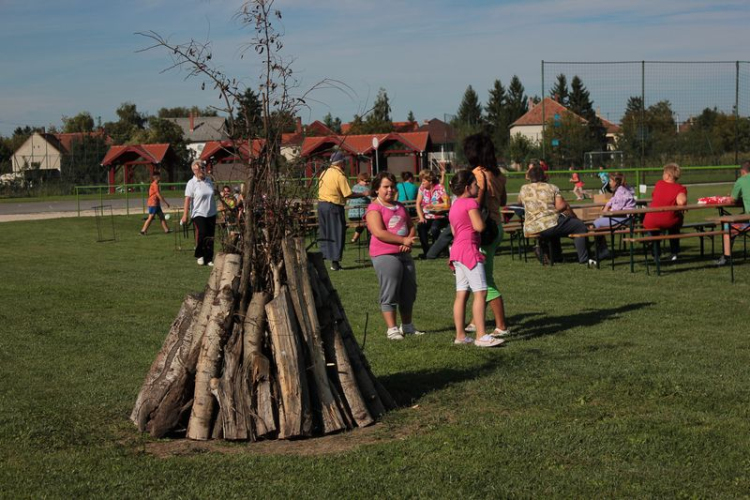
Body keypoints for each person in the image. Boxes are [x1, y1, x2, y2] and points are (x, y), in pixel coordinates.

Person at [448, 170, 504, 348]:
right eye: (475, 184)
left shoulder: (454, 205)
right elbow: (479, 226)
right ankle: (481, 335)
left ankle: (460, 335)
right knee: (481, 292)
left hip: (456, 250)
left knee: (461, 293)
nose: (478, 187)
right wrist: (484, 218)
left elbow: (454, 231)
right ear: (467, 187)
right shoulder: (470, 203)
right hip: (469, 250)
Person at [365, 171, 422, 340]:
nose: (390, 190)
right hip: (384, 254)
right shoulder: (374, 208)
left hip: (404, 253)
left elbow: (411, 225)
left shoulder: (400, 205)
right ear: (376, 189)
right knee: (390, 291)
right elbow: (379, 232)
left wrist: (408, 239)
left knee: (409, 291)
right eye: (385, 187)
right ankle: (392, 329)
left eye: (392, 186)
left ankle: (407, 326)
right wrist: (402, 240)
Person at [463, 132, 510, 337]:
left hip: (484, 230)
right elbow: (502, 201)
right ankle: (475, 319)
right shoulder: (498, 174)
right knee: (477, 275)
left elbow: (476, 203)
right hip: (497, 226)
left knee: (485, 280)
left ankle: (501, 326)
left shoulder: (478, 174)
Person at [519, 164, 594, 265]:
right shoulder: (551, 187)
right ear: (543, 176)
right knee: (579, 226)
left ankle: (554, 255)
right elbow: (560, 207)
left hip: (531, 226)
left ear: (530, 177)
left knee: (555, 227)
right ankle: (584, 259)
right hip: (549, 223)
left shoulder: (524, 188)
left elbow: (520, 201)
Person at [317, 151, 367, 271]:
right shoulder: (340, 175)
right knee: (337, 233)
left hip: (321, 205)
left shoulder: (323, 173)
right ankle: (335, 262)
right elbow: (348, 194)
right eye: (344, 161)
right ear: (341, 163)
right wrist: (363, 193)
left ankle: (323, 257)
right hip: (333, 206)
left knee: (325, 232)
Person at [643, 163, 688, 262]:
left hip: (651, 220)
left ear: (668, 175)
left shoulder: (659, 184)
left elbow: (655, 196)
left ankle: (656, 255)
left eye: (664, 173)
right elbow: (681, 202)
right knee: (676, 222)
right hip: (669, 221)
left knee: (653, 227)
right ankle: (674, 253)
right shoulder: (680, 188)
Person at [181, 160, 218, 266]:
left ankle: (209, 258)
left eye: (203, 167)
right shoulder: (191, 183)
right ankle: (200, 255)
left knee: (210, 236)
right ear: (194, 170)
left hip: (211, 212)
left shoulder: (209, 181)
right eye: (201, 168)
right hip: (198, 213)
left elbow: (212, 195)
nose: (203, 169)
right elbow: (187, 199)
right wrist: (185, 215)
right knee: (202, 232)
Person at [591, 172, 636, 259]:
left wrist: (606, 211)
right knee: (597, 224)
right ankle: (603, 250)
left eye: (611, 181)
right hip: (622, 217)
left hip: (625, 218)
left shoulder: (621, 192)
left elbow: (616, 210)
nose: (609, 183)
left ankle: (602, 251)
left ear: (616, 182)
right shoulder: (621, 189)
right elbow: (612, 200)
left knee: (596, 224)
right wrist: (607, 206)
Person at [716, 161, 750, 266]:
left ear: (742, 171)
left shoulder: (741, 180)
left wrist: (730, 197)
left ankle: (726, 258)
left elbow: (732, 200)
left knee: (728, 228)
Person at [415, 169, 451, 257]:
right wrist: (421, 218)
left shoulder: (440, 188)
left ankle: (442, 249)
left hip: (440, 216)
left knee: (435, 228)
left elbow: (447, 204)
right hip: (427, 216)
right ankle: (427, 252)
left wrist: (434, 206)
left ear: (430, 181)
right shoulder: (422, 188)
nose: (422, 183)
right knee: (421, 227)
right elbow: (418, 203)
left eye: (423, 181)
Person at [140, 171, 171, 235]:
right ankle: (143, 231)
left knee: (161, 216)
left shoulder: (156, 184)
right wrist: (166, 203)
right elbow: (158, 195)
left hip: (156, 204)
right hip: (153, 204)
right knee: (151, 217)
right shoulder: (155, 185)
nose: (160, 177)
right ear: (157, 177)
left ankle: (166, 230)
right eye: (160, 176)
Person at [348, 172, 371, 243]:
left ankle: (354, 239)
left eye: (369, 181)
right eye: (365, 181)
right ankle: (370, 240)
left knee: (362, 224)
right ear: (359, 180)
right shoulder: (365, 189)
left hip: (351, 215)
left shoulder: (354, 187)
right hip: (361, 215)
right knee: (371, 222)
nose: (367, 183)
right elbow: (373, 198)